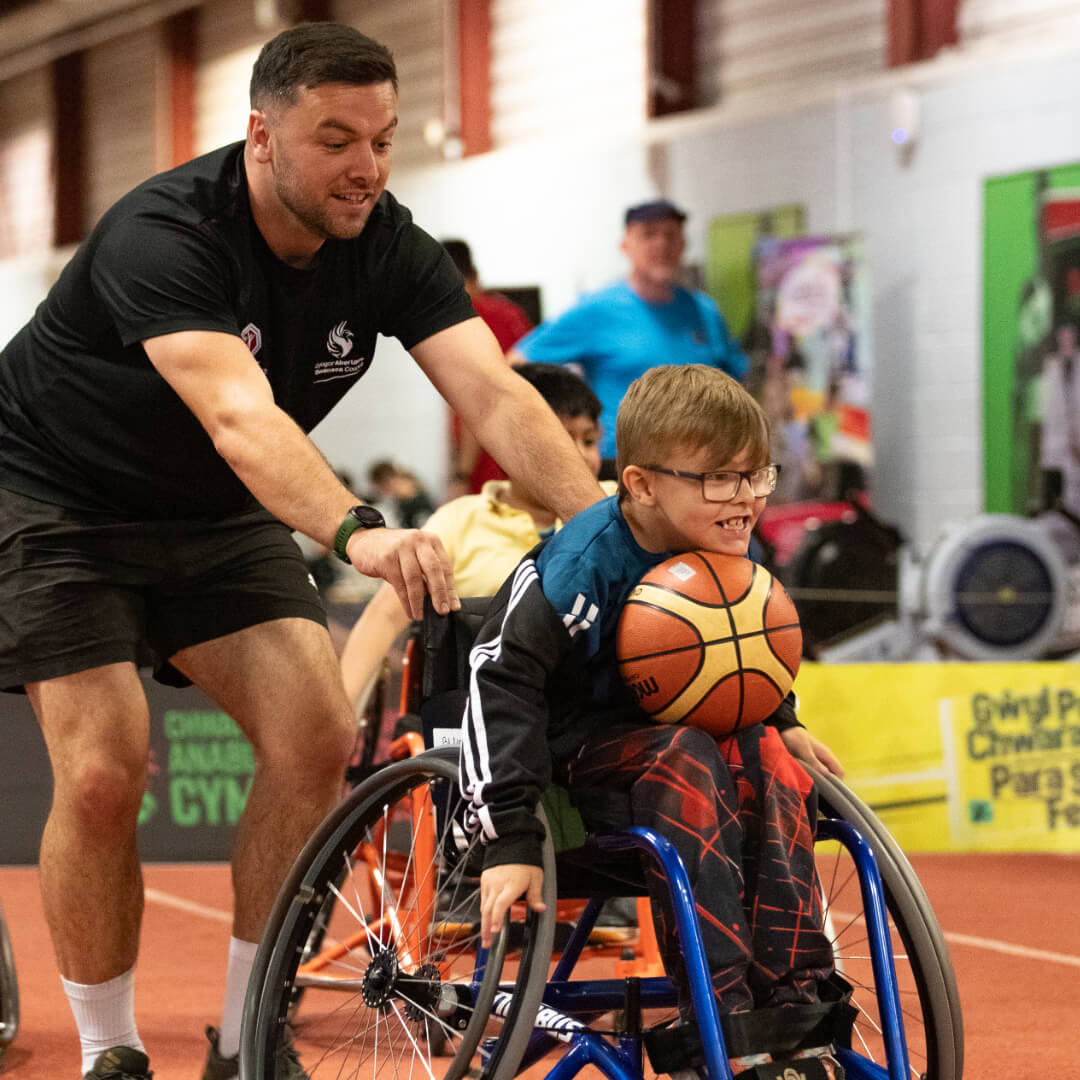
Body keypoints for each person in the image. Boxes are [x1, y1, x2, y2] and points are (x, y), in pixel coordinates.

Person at [0, 23, 602, 1080]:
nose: (366, 166)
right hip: (53, 499)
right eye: (335, 139)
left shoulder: (388, 243)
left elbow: (495, 393)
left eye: (382, 138)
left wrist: (614, 537)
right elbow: (240, 419)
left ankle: (245, 1038)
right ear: (261, 137)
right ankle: (111, 1052)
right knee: (101, 769)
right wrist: (357, 533)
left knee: (317, 731)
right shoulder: (166, 232)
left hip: (212, 511)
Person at [460, 365, 845, 1079]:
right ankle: (721, 1025)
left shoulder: (728, 542)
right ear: (640, 484)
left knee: (773, 761)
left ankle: (795, 1009)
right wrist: (508, 835)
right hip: (572, 769)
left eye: (756, 476)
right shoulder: (582, 562)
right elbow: (499, 675)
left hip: (681, 750)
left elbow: (744, 656)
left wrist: (783, 717)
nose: (745, 501)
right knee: (688, 756)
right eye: (718, 479)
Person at [340, 363, 606, 712]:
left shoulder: (616, 509)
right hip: (491, 713)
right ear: (508, 446)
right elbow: (385, 617)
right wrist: (338, 722)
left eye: (589, 440)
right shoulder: (459, 521)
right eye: (560, 440)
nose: (582, 456)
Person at [510, 200, 748, 476]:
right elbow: (516, 364)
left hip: (701, 467)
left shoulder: (704, 311)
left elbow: (736, 382)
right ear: (626, 245)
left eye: (670, 235)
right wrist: (560, 430)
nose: (661, 245)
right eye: (648, 234)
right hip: (624, 467)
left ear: (683, 244)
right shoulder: (597, 310)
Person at [442, 238, 535, 496]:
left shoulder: (464, 319)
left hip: (492, 462)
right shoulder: (511, 315)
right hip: (518, 455)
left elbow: (480, 399)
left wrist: (461, 475)